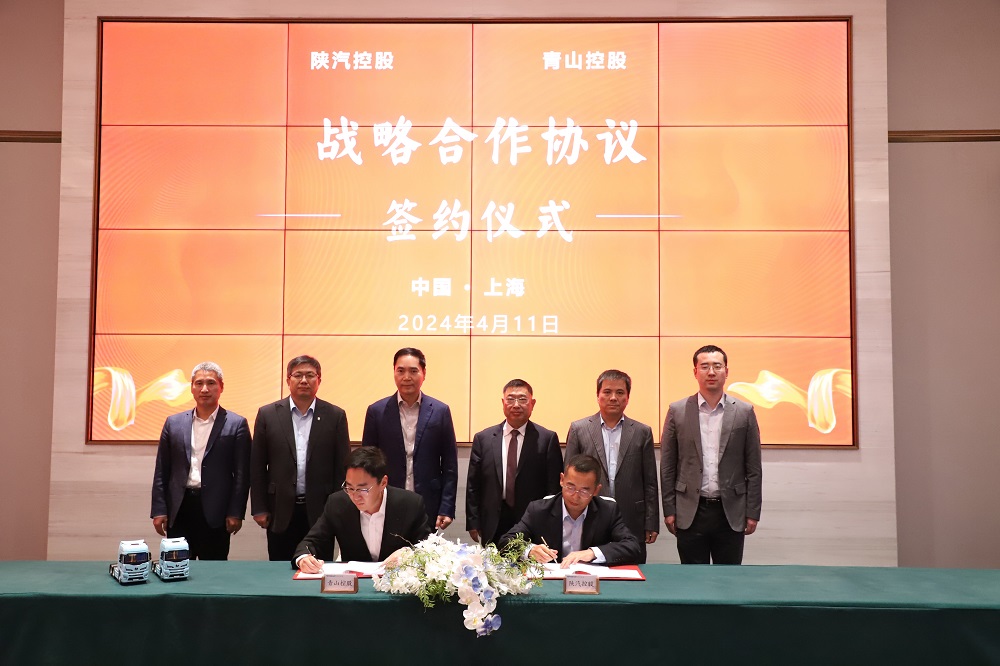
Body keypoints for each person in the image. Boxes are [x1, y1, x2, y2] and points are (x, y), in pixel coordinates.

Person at [661, 345, 763, 565]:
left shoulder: (744, 411)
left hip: (730, 511)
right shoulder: (677, 410)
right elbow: (667, 466)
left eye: (717, 366)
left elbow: (754, 467)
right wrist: (669, 509)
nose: (711, 372)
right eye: (705, 366)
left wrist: (753, 511)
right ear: (695, 372)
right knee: (692, 578)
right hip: (690, 510)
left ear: (727, 371)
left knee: (728, 578)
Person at [250, 355, 350, 561]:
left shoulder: (335, 415)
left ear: (319, 380)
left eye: (310, 375)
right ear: (288, 380)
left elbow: (342, 467)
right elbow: (257, 466)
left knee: (319, 568)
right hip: (279, 509)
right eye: (298, 375)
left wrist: (339, 508)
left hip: (321, 510)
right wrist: (259, 508)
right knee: (280, 568)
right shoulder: (268, 414)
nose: (304, 380)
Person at [150, 361, 251, 560]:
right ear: (192, 388)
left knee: (213, 570)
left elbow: (242, 474)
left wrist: (236, 512)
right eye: (199, 383)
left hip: (216, 511)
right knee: (177, 567)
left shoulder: (236, 424)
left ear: (221, 387)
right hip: (180, 509)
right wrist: (159, 510)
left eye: (211, 383)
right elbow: (162, 470)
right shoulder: (173, 423)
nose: (205, 389)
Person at [564, 370, 659, 563]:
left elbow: (650, 481)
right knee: (588, 569)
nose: (613, 397)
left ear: (627, 397)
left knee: (631, 570)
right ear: (598, 395)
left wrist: (651, 521)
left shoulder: (642, 431)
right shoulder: (579, 429)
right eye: (607, 392)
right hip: (589, 515)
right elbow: (569, 478)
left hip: (631, 517)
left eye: (620, 392)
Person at [361, 347, 458, 530]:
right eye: (401, 371)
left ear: (424, 373)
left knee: (424, 548)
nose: (407, 377)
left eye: (413, 371)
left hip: (428, 502)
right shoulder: (376, 411)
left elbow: (449, 465)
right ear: (394, 372)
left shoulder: (440, 411)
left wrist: (447, 507)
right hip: (386, 501)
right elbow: (368, 463)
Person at [293, 447, 432, 571]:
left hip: (396, 584)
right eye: (349, 487)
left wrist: (408, 554)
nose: (354, 496)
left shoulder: (410, 504)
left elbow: (429, 549)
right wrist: (304, 558)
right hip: (355, 585)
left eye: (362, 489)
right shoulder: (337, 503)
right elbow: (311, 542)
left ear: (383, 482)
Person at [466, 379, 562, 545]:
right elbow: (473, 484)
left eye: (522, 399)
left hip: (532, 520)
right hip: (493, 519)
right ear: (503, 403)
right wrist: (473, 521)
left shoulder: (547, 439)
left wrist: (549, 522)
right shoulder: (483, 439)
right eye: (510, 399)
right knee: (492, 561)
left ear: (532, 403)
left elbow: (553, 487)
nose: (516, 405)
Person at [499, 454, 641, 567]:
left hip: (591, 583)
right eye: (570, 487)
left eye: (584, 491)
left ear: (596, 490)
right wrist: (530, 550)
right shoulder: (539, 510)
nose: (575, 496)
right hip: (551, 581)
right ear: (562, 480)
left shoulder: (607, 511)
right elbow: (505, 542)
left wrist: (592, 553)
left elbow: (632, 546)